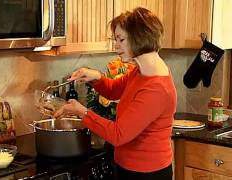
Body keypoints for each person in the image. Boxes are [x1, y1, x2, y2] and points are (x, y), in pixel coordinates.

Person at [54, 7, 176, 180]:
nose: (116, 45)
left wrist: (82, 112)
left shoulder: (156, 88)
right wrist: (94, 77)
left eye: (121, 39)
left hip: (146, 174)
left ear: (139, 38)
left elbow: (119, 134)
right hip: (127, 167)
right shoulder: (141, 71)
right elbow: (113, 90)